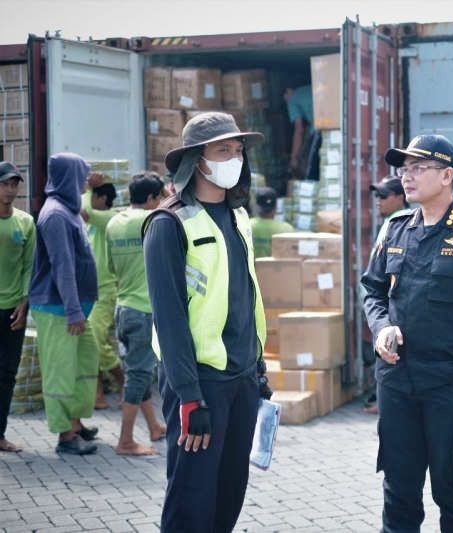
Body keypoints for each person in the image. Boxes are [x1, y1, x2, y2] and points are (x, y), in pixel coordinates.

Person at [361, 134, 453, 533]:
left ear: (447, 175)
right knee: (399, 489)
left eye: (417, 169)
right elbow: (372, 290)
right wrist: (381, 328)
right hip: (396, 381)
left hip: (450, 383)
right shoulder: (394, 230)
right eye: (403, 169)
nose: (406, 177)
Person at [143, 112, 272, 532]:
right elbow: (169, 319)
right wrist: (189, 397)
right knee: (191, 501)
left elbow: (245, 297)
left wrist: (258, 366)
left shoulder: (238, 218)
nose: (233, 159)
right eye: (223, 151)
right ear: (196, 160)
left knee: (229, 493)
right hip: (200, 382)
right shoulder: (169, 224)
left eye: (237, 151)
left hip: (242, 378)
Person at [29, 153, 100, 455]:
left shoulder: (71, 209)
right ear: (70, 176)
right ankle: (65, 437)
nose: (87, 179)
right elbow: (63, 266)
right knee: (60, 369)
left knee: (85, 362)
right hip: (59, 307)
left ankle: (75, 420)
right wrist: (73, 309)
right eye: (82, 174)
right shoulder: (56, 215)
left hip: (76, 306)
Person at [106, 172, 167, 456]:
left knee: (137, 370)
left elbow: (110, 268)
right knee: (139, 375)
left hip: (124, 306)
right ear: (153, 198)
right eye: (161, 197)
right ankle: (126, 441)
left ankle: (154, 426)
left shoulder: (113, 223)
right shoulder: (152, 221)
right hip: (143, 310)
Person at [362, 176, 413, 414]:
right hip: (382, 302)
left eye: (383, 196)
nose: (378, 201)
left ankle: (383, 401)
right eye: (376, 196)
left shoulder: (398, 223)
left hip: (391, 307)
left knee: (388, 351)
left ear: (400, 197)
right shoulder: (396, 223)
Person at [0, 162, 35, 453]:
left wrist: (25, 300)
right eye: (5, 184)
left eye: (14, 185)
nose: (10, 190)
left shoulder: (25, 222)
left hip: (13, 309)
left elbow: (28, 266)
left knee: (8, 373)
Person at [81, 180, 124, 409]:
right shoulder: (94, 223)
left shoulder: (110, 218)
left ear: (102, 199)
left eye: (93, 196)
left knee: (96, 343)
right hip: (88, 290)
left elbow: (84, 211)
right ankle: (98, 395)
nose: (89, 199)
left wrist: (87, 187)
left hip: (105, 291)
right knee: (91, 342)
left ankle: (123, 382)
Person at [284, 85, 319, 180]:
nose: (286, 101)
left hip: (320, 129)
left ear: (287, 91)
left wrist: (294, 158)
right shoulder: (309, 89)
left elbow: (299, 130)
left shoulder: (292, 100)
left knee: (310, 167)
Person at [250, 187, 294, 257]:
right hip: (276, 268)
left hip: (251, 268)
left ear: (256, 206)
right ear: (276, 207)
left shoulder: (247, 225)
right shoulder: (287, 230)